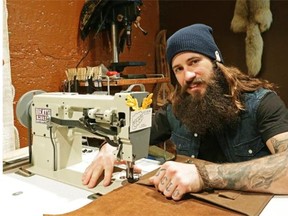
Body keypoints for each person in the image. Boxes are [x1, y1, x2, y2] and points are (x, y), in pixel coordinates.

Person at [82, 23, 288, 201]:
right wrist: (109, 147)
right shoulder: (176, 109)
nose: (187, 75)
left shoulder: (262, 104)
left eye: (194, 62)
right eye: (178, 69)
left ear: (216, 63)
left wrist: (203, 176)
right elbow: (134, 134)